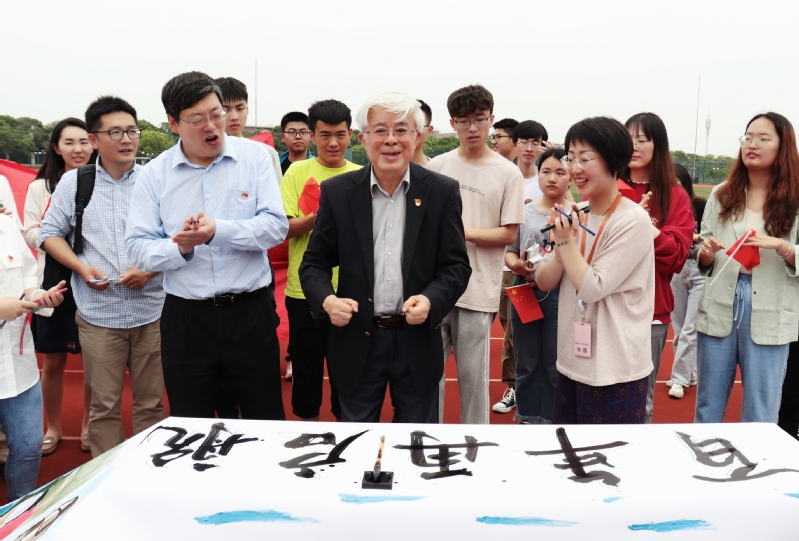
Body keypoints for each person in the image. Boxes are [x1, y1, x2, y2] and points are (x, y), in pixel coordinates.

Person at [125, 71, 288, 421]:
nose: (212, 126)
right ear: (173, 123)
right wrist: (179, 248)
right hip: (187, 319)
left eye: (217, 114)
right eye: (197, 119)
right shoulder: (154, 174)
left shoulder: (255, 158)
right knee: (190, 421)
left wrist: (218, 232)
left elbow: (276, 228)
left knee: (265, 419)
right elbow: (137, 247)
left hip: (250, 314)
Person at [299, 92, 470, 423]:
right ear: (363, 139)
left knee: (416, 441)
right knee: (357, 437)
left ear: (417, 137)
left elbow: (456, 266)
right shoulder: (338, 192)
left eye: (401, 130)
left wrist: (431, 300)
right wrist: (328, 302)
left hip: (416, 339)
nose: (391, 139)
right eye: (380, 130)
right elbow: (314, 264)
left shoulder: (442, 191)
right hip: (358, 338)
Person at [40, 96, 165, 457]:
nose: (127, 139)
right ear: (94, 139)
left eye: (132, 131)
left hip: (152, 310)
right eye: (116, 132)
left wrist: (150, 269)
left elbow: (177, 238)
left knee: (151, 405)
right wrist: (81, 268)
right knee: (104, 407)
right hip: (99, 315)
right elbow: (49, 233)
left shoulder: (156, 181)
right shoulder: (74, 183)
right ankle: (107, 477)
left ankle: (148, 472)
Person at [535, 116, 655, 424]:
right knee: (568, 448)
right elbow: (543, 281)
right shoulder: (580, 215)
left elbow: (592, 288)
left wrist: (566, 243)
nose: (575, 169)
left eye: (585, 158)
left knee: (608, 451)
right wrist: (561, 252)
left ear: (614, 161)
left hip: (614, 369)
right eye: (570, 158)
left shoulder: (632, 220)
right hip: (572, 362)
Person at [428, 85, 524, 424]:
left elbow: (509, 233)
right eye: (464, 121)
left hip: (478, 288)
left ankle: (476, 442)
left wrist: (461, 232)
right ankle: (426, 438)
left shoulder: (507, 172)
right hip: (434, 289)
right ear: (452, 123)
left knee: (473, 380)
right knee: (428, 378)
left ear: (491, 119)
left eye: (480, 119)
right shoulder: (437, 166)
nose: (472, 128)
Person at [695, 112, 799, 424]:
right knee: (708, 405)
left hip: (770, 306)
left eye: (763, 139)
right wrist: (706, 254)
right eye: (747, 138)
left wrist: (781, 246)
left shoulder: (795, 198)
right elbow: (703, 247)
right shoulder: (721, 193)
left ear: (783, 146)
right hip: (720, 301)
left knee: (761, 410)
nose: (752, 144)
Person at [280, 99, 360, 421]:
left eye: (340, 134)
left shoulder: (361, 175)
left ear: (351, 134)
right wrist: (322, 216)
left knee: (348, 373)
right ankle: (307, 431)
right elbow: (284, 228)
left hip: (350, 291)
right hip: (304, 291)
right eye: (325, 135)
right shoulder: (297, 171)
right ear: (312, 136)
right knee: (306, 370)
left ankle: (347, 430)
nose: (333, 143)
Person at [24, 118, 94, 455]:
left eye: (83, 141)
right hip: (53, 285)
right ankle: (52, 426)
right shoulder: (40, 188)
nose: (78, 149)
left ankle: (90, 425)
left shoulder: (102, 182)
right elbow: (29, 233)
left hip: (94, 284)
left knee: (95, 363)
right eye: (69, 142)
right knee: (52, 363)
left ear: (93, 143)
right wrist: (59, 232)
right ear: (56, 148)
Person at [624, 112, 694, 423]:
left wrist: (643, 225)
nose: (634, 146)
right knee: (596, 390)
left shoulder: (675, 196)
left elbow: (676, 257)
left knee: (641, 400)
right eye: (628, 139)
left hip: (650, 310)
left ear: (658, 146)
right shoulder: (607, 188)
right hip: (602, 306)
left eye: (642, 140)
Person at [0, 211, 66, 501]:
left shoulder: (6, 225)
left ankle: (20, 514)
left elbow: (27, 278)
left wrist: (39, 297)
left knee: (28, 447)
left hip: (19, 366)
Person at [504, 148, 571, 423]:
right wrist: (517, 266)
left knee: (556, 364)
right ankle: (527, 416)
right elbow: (510, 252)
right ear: (538, 176)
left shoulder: (578, 215)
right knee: (527, 362)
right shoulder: (524, 212)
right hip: (525, 290)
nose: (552, 178)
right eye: (546, 171)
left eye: (560, 172)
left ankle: (555, 419)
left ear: (571, 177)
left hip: (561, 294)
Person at [665, 163, 706, 399]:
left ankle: (679, 379)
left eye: (676, 182)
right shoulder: (667, 206)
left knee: (690, 328)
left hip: (699, 267)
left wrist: (693, 235)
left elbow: (710, 236)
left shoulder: (701, 205)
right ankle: (689, 374)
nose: (673, 187)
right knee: (679, 327)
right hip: (677, 268)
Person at [214, 77, 282, 184]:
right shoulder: (202, 153)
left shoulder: (266, 153)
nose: (234, 117)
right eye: (225, 110)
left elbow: (276, 193)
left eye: (240, 109)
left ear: (247, 109)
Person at [279, 111, 314, 176]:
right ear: (283, 137)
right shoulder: (275, 167)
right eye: (292, 132)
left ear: (310, 135)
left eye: (303, 132)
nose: (298, 136)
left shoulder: (319, 167)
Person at [412, 99, 433, 167]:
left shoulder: (437, 169)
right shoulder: (385, 169)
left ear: (429, 130)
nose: (413, 132)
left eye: (418, 127)